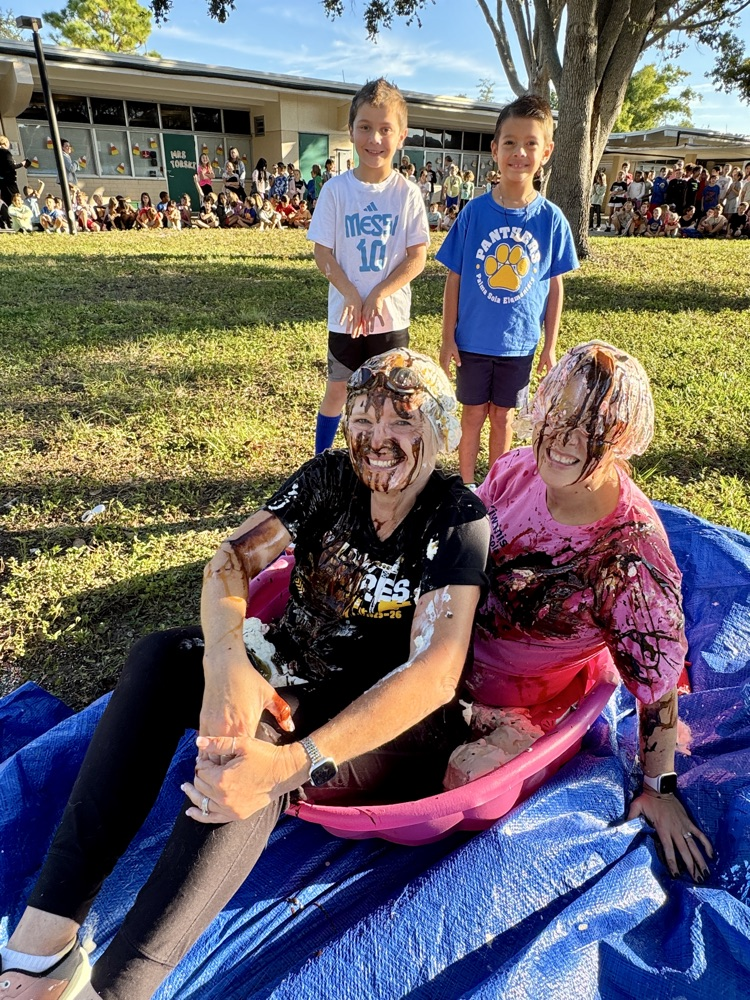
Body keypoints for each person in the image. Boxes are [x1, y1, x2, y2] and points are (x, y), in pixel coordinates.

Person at [0, 348, 489, 1000]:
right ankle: (42, 947)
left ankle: (117, 989)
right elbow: (230, 560)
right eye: (364, 420)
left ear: (438, 431)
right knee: (160, 657)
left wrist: (290, 765)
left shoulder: (455, 517)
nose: (378, 440)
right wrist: (227, 663)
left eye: (402, 423)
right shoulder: (329, 478)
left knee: (250, 747)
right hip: (285, 670)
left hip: (378, 724)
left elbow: (435, 673)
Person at [459, 340, 712, 882]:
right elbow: (463, 546)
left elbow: (658, 680)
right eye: (561, 412)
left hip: (522, 705)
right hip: (448, 655)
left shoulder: (627, 557)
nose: (567, 438)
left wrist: (658, 787)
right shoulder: (516, 469)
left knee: (462, 781)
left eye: (593, 428)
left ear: (622, 440)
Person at [437, 94, 578, 488]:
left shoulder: (551, 220)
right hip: (472, 343)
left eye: (531, 143)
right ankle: (467, 488)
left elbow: (554, 285)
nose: (520, 152)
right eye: (510, 143)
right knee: (472, 417)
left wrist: (549, 346)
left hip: (519, 345)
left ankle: (494, 490)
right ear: (494, 149)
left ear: (546, 151)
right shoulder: (473, 213)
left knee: (503, 418)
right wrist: (447, 336)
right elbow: (455, 277)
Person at [307, 78, 429, 455]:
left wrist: (378, 293)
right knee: (338, 390)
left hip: (390, 318)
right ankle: (322, 462)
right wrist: (350, 292)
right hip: (344, 317)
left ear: (402, 135)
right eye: (365, 127)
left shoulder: (406, 192)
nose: (375, 139)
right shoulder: (335, 191)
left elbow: (417, 257)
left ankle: (384, 458)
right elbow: (322, 253)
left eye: (385, 129)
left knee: (388, 397)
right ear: (351, 130)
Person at [0, 134, 31, 206]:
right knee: (16, 199)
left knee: (6, 201)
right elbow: (11, 166)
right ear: (5, 143)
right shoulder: (5, 153)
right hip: (9, 181)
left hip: (2, 181)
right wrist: (22, 163)